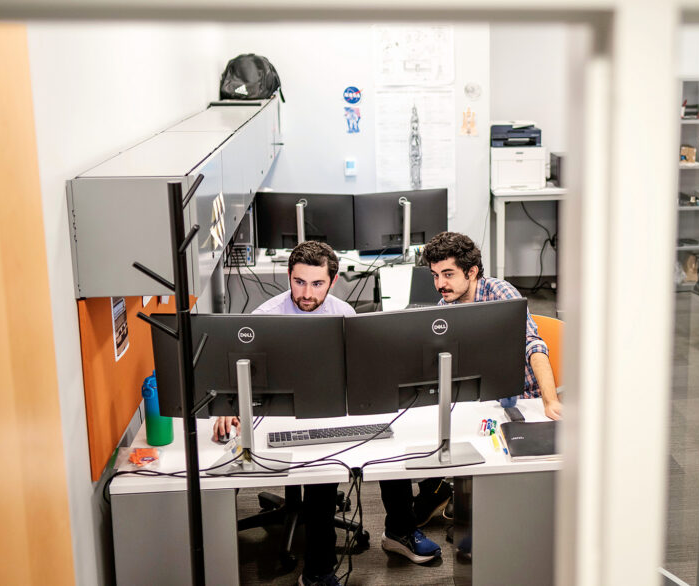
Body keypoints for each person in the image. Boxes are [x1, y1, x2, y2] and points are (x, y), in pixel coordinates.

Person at [211, 241, 441, 586]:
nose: (307, 292)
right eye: (299, 282)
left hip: (333, 407)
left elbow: (359, 372)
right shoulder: (265, 318)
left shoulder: (343, 314)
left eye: (317, 284)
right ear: (289, 276)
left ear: (331, 281)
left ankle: (399, 532)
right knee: (323, 468)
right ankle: (317, 570)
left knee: (389, 438)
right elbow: (238, 373)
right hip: (280, 416)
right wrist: (229, 407)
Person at [421, 231, 562, 420]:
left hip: (522, 399)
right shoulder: (445, 307)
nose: (440, 285)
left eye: (448, 274)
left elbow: (533, 346)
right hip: (478, 402)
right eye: (435, 275)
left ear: (471, 272)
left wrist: (550, 401)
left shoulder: (500, 294)